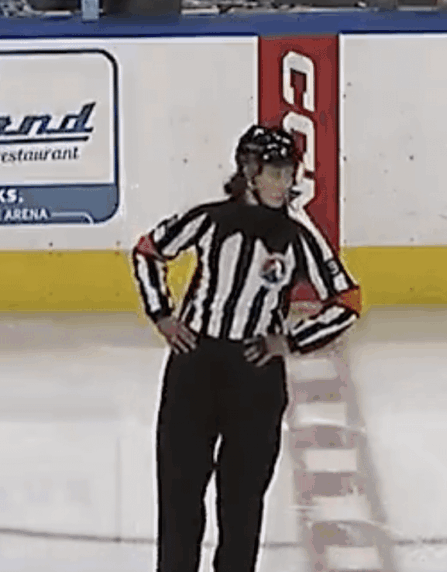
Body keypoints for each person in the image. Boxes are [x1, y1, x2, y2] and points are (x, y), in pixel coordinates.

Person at [132, 125, 362, 572]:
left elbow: (347, 301)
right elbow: (147, 251)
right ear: (249, 172)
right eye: (274, 173)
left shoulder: (298, 236)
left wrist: (290, 341)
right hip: (194, 368)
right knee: (179, 495)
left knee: (242, 505)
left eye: (288, 173)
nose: (283, 183)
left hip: (254, 377)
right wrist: (162, 314)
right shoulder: (209, 219)